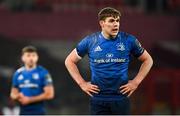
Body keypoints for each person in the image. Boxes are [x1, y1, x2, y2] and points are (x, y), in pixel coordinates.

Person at [65, 7, 153, 115]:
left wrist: (136, 82)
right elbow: (69, 61)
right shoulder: (90, 41)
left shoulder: (129, 40)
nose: (116, 24)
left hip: (121, 99)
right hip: (98, 100)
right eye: (111, 21)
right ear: (102, 23)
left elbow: (148, 60)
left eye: (117, 21)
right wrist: (82, 83)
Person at [10, 46, 54, 115]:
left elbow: (50, 94)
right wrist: (18, 96)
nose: (31, 58)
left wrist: (29, 100)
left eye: (33, 55)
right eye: (28, 55)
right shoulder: (18, 73)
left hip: (38, 113)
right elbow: (13, 94)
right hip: (23, 113)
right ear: (23, 58)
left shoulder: (44, 73)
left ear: (37, 57)